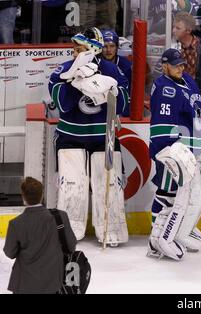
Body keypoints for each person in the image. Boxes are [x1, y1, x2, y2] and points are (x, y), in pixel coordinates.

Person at [48, 27, 130, 246]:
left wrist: (105, 90)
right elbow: (63, 105)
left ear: (93, 49)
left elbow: (122, 104)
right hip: (70, 137)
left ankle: (110, 229)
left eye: (81, 47)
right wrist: (76, 79)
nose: (75, 50)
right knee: (72, 186)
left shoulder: (112, 70)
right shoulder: (63, 70)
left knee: (109, 184)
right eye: (75, 47)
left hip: (104, 136)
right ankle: (70, 230)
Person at [147, 48, 201, 261]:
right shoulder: (164, 88)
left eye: (182, 64)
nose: (180, 68)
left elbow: (193, 116)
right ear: (165, 65)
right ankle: (155, 239)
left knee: (197, 194)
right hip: (173, 150)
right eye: (175, 65)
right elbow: (162, 126)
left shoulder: (187, 81)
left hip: (189, 149)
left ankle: (178, 232)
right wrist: (167, 152)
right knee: (168, 195)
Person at [3, 177, 77, 294]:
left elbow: (9, 252)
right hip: (53, 282)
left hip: (24, 283)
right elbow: (71, 246)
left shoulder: (15, 224)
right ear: (42, 195)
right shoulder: (60, 217)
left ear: (23, 197)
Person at [172, 11, 201, 116]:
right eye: (173, 27)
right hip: (179, 100)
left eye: (178, 28)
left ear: (188, 30)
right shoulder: (173, 48)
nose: (173, 30)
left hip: (200, 101)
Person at [101, 29, 133, 116]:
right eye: (105, 46)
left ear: (117, 47)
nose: (108, 50)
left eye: (112, 46)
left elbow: (129, 92)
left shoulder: (127, 66)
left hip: (121, 110)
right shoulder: (94, 64)